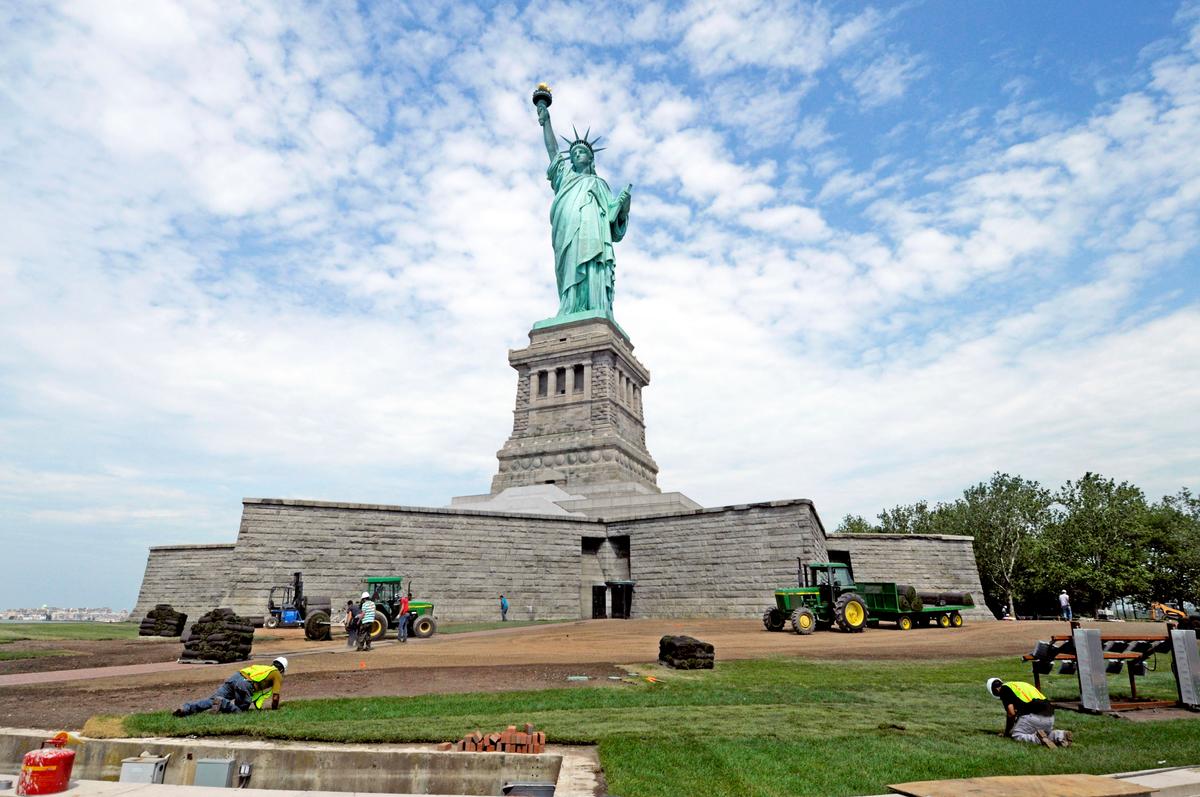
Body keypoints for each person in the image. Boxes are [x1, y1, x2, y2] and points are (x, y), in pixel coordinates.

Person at [536, 101, 632, 319]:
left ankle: (594, 305)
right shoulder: (565, 178)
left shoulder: (600, 184)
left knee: (593, 262)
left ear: (591, 157)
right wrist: (546, 122)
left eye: (582, 151)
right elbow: (553, 151)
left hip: (593, 232)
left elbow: (613, 221)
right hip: (567, 230)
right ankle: (570, 307)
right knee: (570, 265)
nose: (577, 154)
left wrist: (623, 208)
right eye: (574, 153)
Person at [173, 657, 287, 716]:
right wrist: (275, 710)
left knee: (212, 700)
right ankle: (223, 702)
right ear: (282, 669)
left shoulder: (263, 668)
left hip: (235, 677)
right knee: (240, 713)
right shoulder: (277, 674)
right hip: (244, 684)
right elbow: (275, 697)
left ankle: (186, 709)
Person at [986, 677, 1071, 747]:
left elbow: (1011, 713)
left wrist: (1007, 733)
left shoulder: (1004, 689)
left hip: (1034, 715)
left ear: (995, 691)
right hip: (1050, 716)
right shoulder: (1018, 685)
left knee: (1017, 735)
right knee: (1039, 733)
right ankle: (1060, 735)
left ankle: (1038, 739)